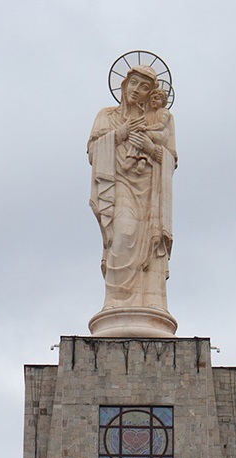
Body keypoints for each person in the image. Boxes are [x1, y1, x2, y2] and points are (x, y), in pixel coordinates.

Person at [88, 65, 177, 312]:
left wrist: (150, 148)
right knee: (123, 235)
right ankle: (116, 303)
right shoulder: (107, 116)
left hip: (149, 191)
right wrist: (122, 133)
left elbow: (170, 159)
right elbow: (94, 152)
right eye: (134, 84)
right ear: (125, 84)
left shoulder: (160, 119)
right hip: (120, 185)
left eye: (145, 88)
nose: (137, 90)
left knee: (150, 242)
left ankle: (150, 304)